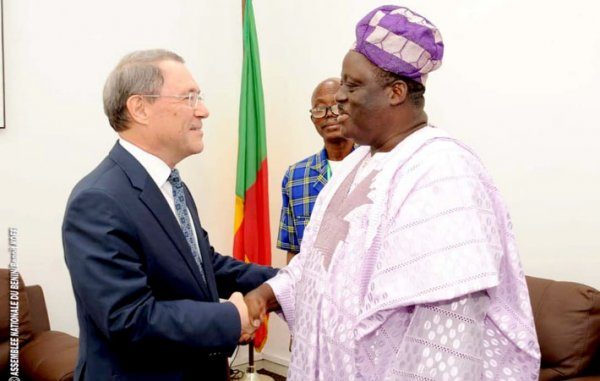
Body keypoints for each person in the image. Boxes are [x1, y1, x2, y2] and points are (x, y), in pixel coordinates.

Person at [245, 5, 541, 380]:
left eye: (352, 85)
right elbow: (316, 265)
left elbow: (447, 341)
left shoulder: (443, 171)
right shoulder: (356, 165)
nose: (339, 98)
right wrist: (266, 295)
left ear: (396, 92)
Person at [62, 49, 278, 381]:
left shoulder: (171, 184)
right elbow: (129, 318)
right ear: (140, 108)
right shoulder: (97, 201)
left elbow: (204, 265)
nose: (203, 111)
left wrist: (284, 280)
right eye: (189, 97)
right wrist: (232, 317)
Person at [277, 78, 354, 264]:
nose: (329, 115)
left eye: (337, 106)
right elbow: (294, 252)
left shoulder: (375, 166)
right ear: (313, 119)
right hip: (314, 289)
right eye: (320, 109)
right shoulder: (296, 176)